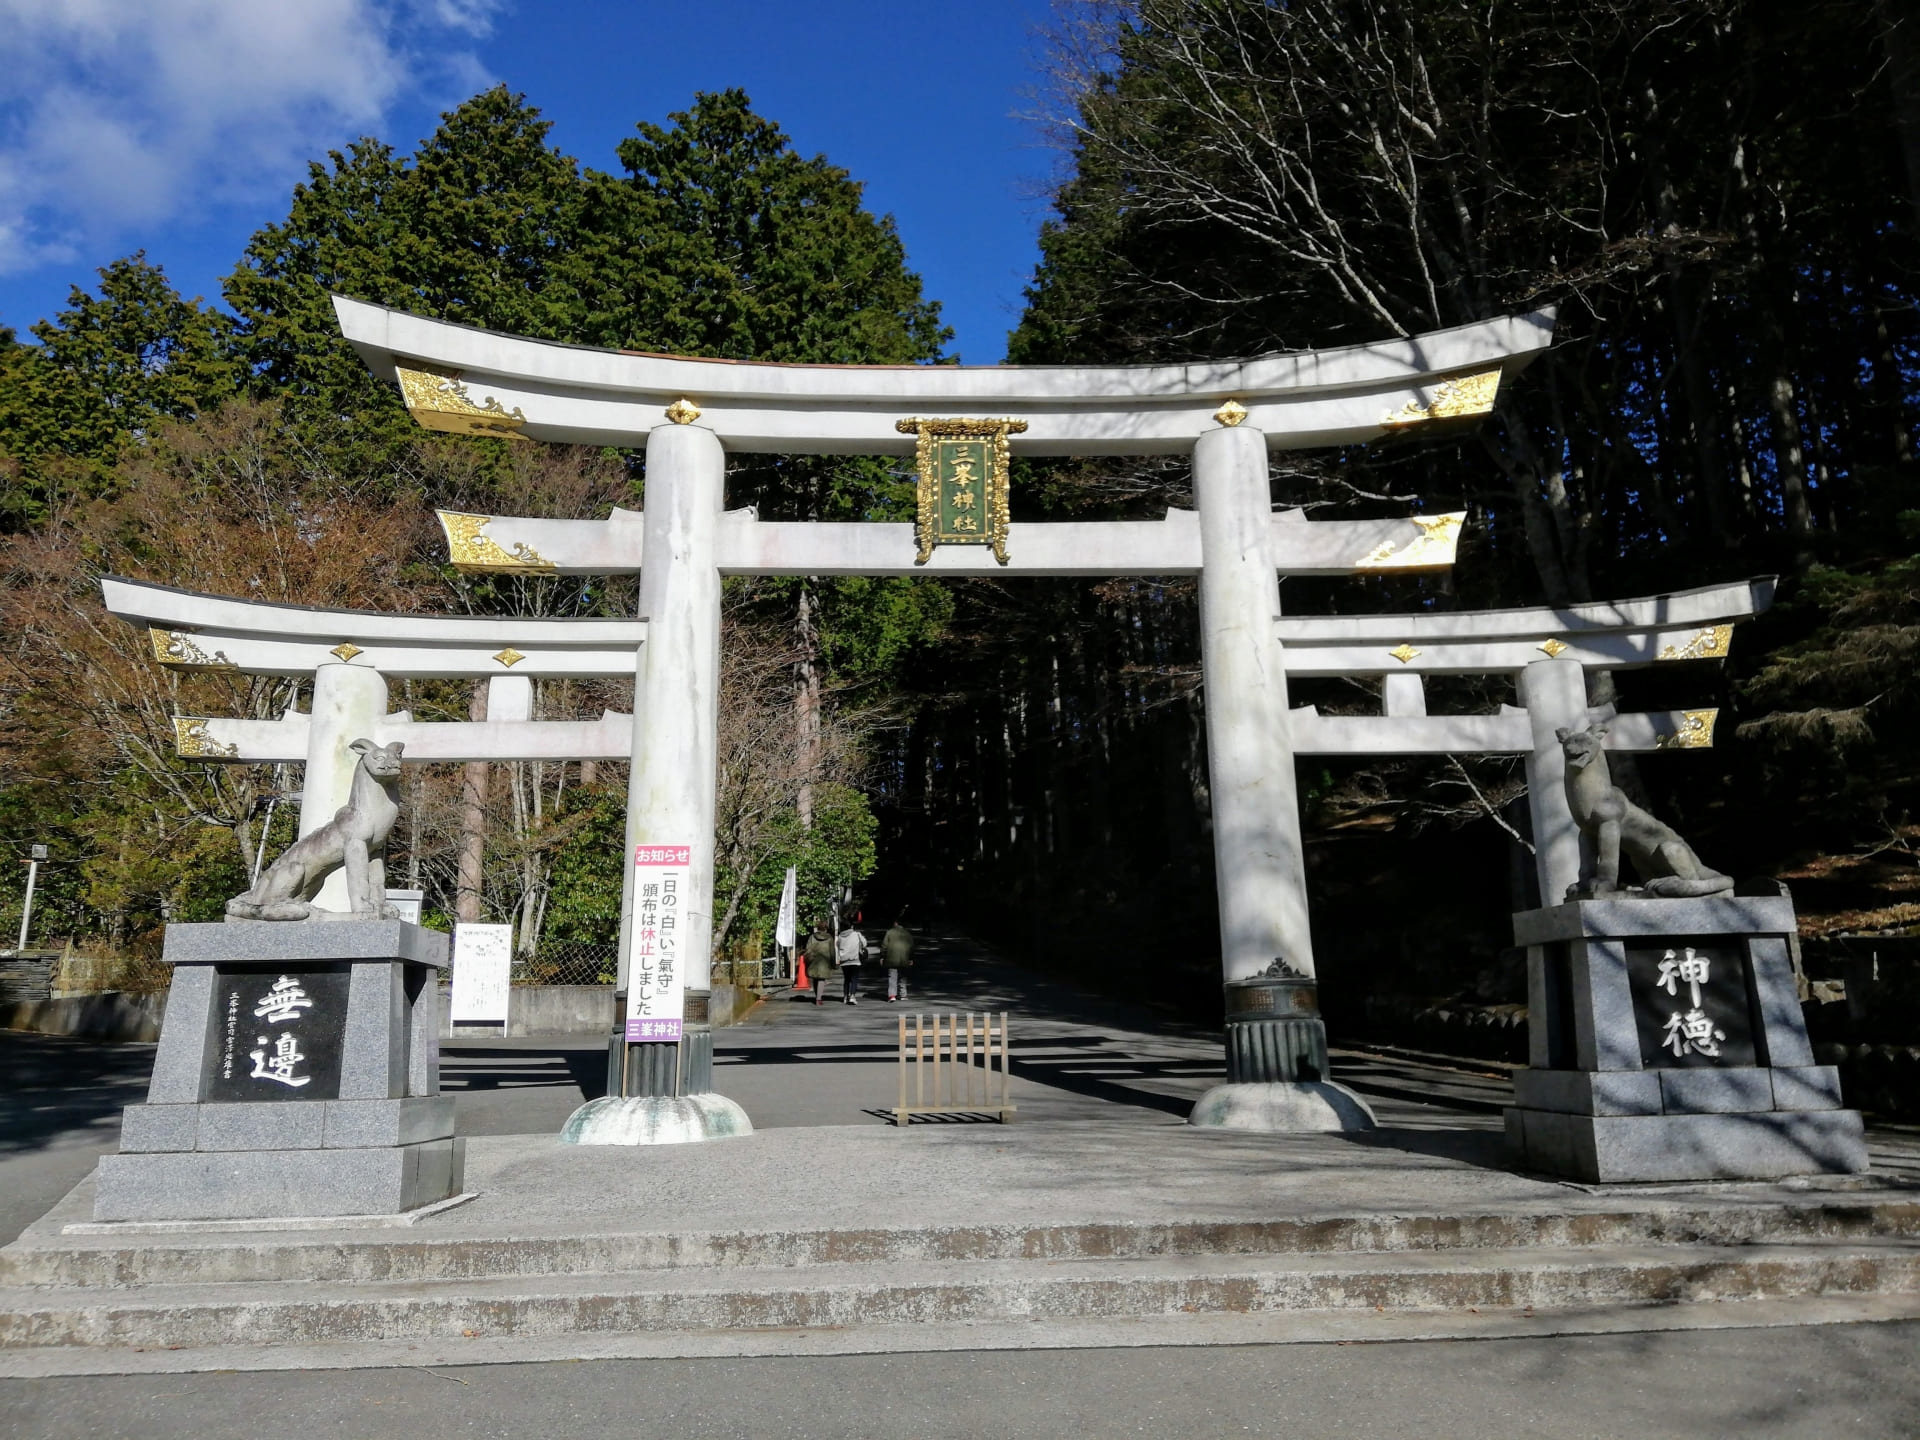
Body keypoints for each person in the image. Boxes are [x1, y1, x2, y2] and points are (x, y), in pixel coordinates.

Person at [803, 917, 835, 1008]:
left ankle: (817, 997)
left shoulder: (812, 937)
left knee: (815, 978)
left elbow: (808, 948)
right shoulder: (829, 938)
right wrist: (833, 963)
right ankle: (818, 998)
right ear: (826, 928)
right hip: (825, 961)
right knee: (822, 979)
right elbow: (832, 951)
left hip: (814, 960)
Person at [835, 919, 867, 1005]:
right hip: (855, 960)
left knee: (847, 979)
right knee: (854, 979)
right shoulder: (856, 934)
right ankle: (852, 996)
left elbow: (837, 946)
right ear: (851, 926)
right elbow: (864, 943)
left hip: (844, 960)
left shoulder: (840, 937)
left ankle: (845, 996)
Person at [883, 916, 914, 1002]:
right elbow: (912, 947)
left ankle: (892, 995)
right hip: (904, 958)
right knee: (903, 976)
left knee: (892, 976)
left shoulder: (889, 932)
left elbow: (884, 946)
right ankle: (903, 994)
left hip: (891, 958)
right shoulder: (907, 933)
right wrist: (911, 958)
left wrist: (882, 957)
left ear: (895, 923)